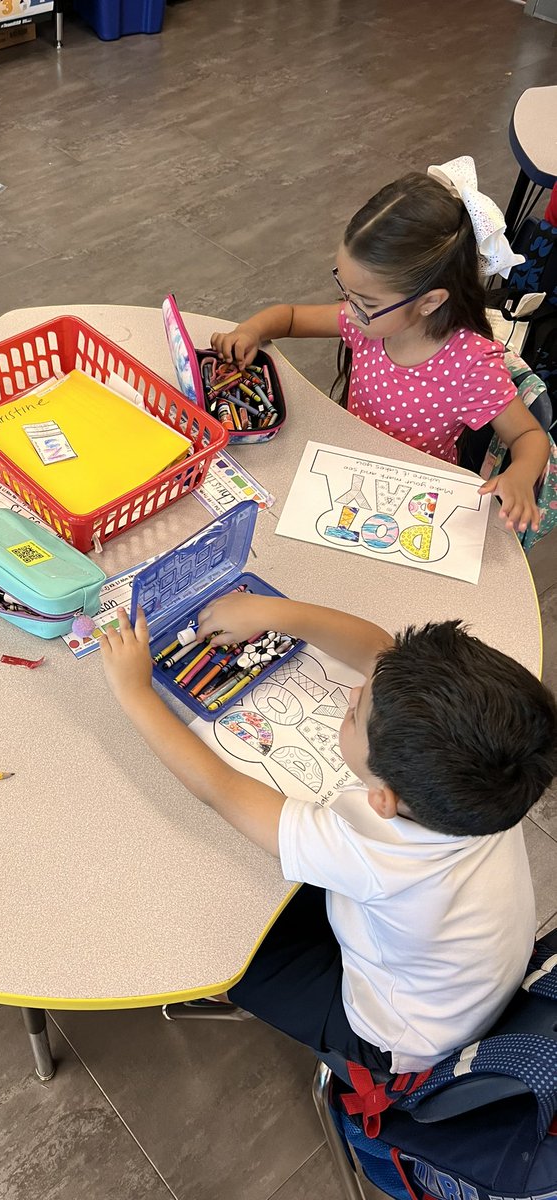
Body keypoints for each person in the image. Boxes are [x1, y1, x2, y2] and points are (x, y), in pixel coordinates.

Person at [100, 592, 557, 1075]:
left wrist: (135, 691)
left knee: (223, 944)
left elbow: (221, 788)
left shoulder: (373, 851)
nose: (354, 692)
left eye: (355, 715)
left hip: (394, 1035)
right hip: (465, 982)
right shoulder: (485, 781)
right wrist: (272, 613)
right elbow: (379, 651)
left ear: (384, 799)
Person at [211, 158, 550, 536]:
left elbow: (529, 436)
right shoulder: (368, 322)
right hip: (346, 472)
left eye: (367, 303)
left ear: (430, 302)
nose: (351, 310)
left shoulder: (471, 365)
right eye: (347, 291)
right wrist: (251, 330)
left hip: (413, 504)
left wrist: (520, 475)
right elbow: (289, 317)